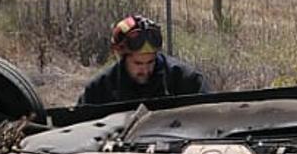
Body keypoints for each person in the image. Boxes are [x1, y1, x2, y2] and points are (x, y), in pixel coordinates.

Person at [78, 15, 209, 105]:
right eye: (138, 63)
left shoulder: (186, 81)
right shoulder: (99, 89)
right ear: (121, 57)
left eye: (151, 62)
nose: (145, 70)